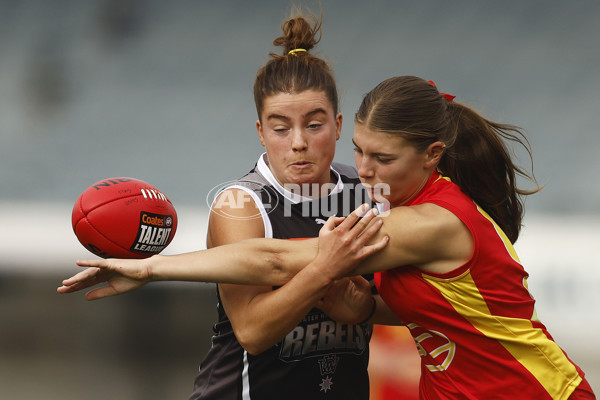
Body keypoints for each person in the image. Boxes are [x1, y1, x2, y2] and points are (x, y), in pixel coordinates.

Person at [59, 76, 596, 400]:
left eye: (382, 159)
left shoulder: (431, 222)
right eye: (359, 149)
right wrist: (365, 310)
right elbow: (441, 312)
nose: (363, 169)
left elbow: (274, 261)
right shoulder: (397, 203)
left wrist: (151, 268)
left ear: (432, 155)